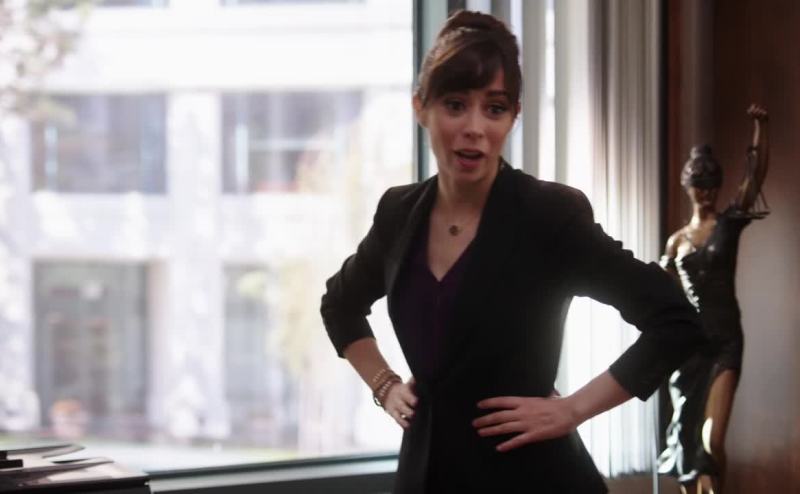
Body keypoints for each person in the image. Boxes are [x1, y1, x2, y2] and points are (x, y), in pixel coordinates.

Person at [320, 10, 704, 493]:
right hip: (428, 472)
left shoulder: (549, 216)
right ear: (421, 107)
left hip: (534, 476)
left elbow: (675, 322)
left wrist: (573, 409)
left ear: (513, 116)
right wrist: (385, 384)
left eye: (495, 108)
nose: (475, 127)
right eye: (455, 105)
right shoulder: (398, 213)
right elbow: (340, 304)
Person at [657, 105, 769, 494]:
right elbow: (662, 298)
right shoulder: (675, 242)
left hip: (725, 341)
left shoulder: (727, 225)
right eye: (698, 185)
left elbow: (755, 178)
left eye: (711, 185)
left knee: (711, 440)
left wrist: (761, 127)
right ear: (687, 186)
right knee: (687, 440)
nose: (705, 192)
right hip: (691, 347)